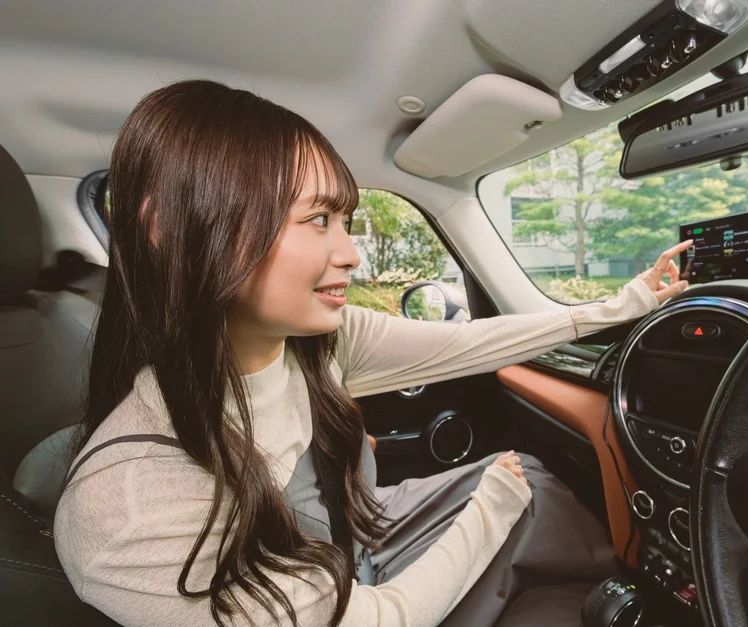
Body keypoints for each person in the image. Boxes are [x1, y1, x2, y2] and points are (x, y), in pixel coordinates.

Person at [54, 80, 691, 627]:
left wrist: (619, 308)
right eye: (316, 220)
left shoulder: (315, 344)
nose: (351, 254)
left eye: (346, 221)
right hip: (359, 599)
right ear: (169, 232)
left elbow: (471, 342)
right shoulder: (129, 510)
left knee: (536, 480)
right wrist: (491, 507)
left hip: (351, 547)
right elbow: (378, 620)